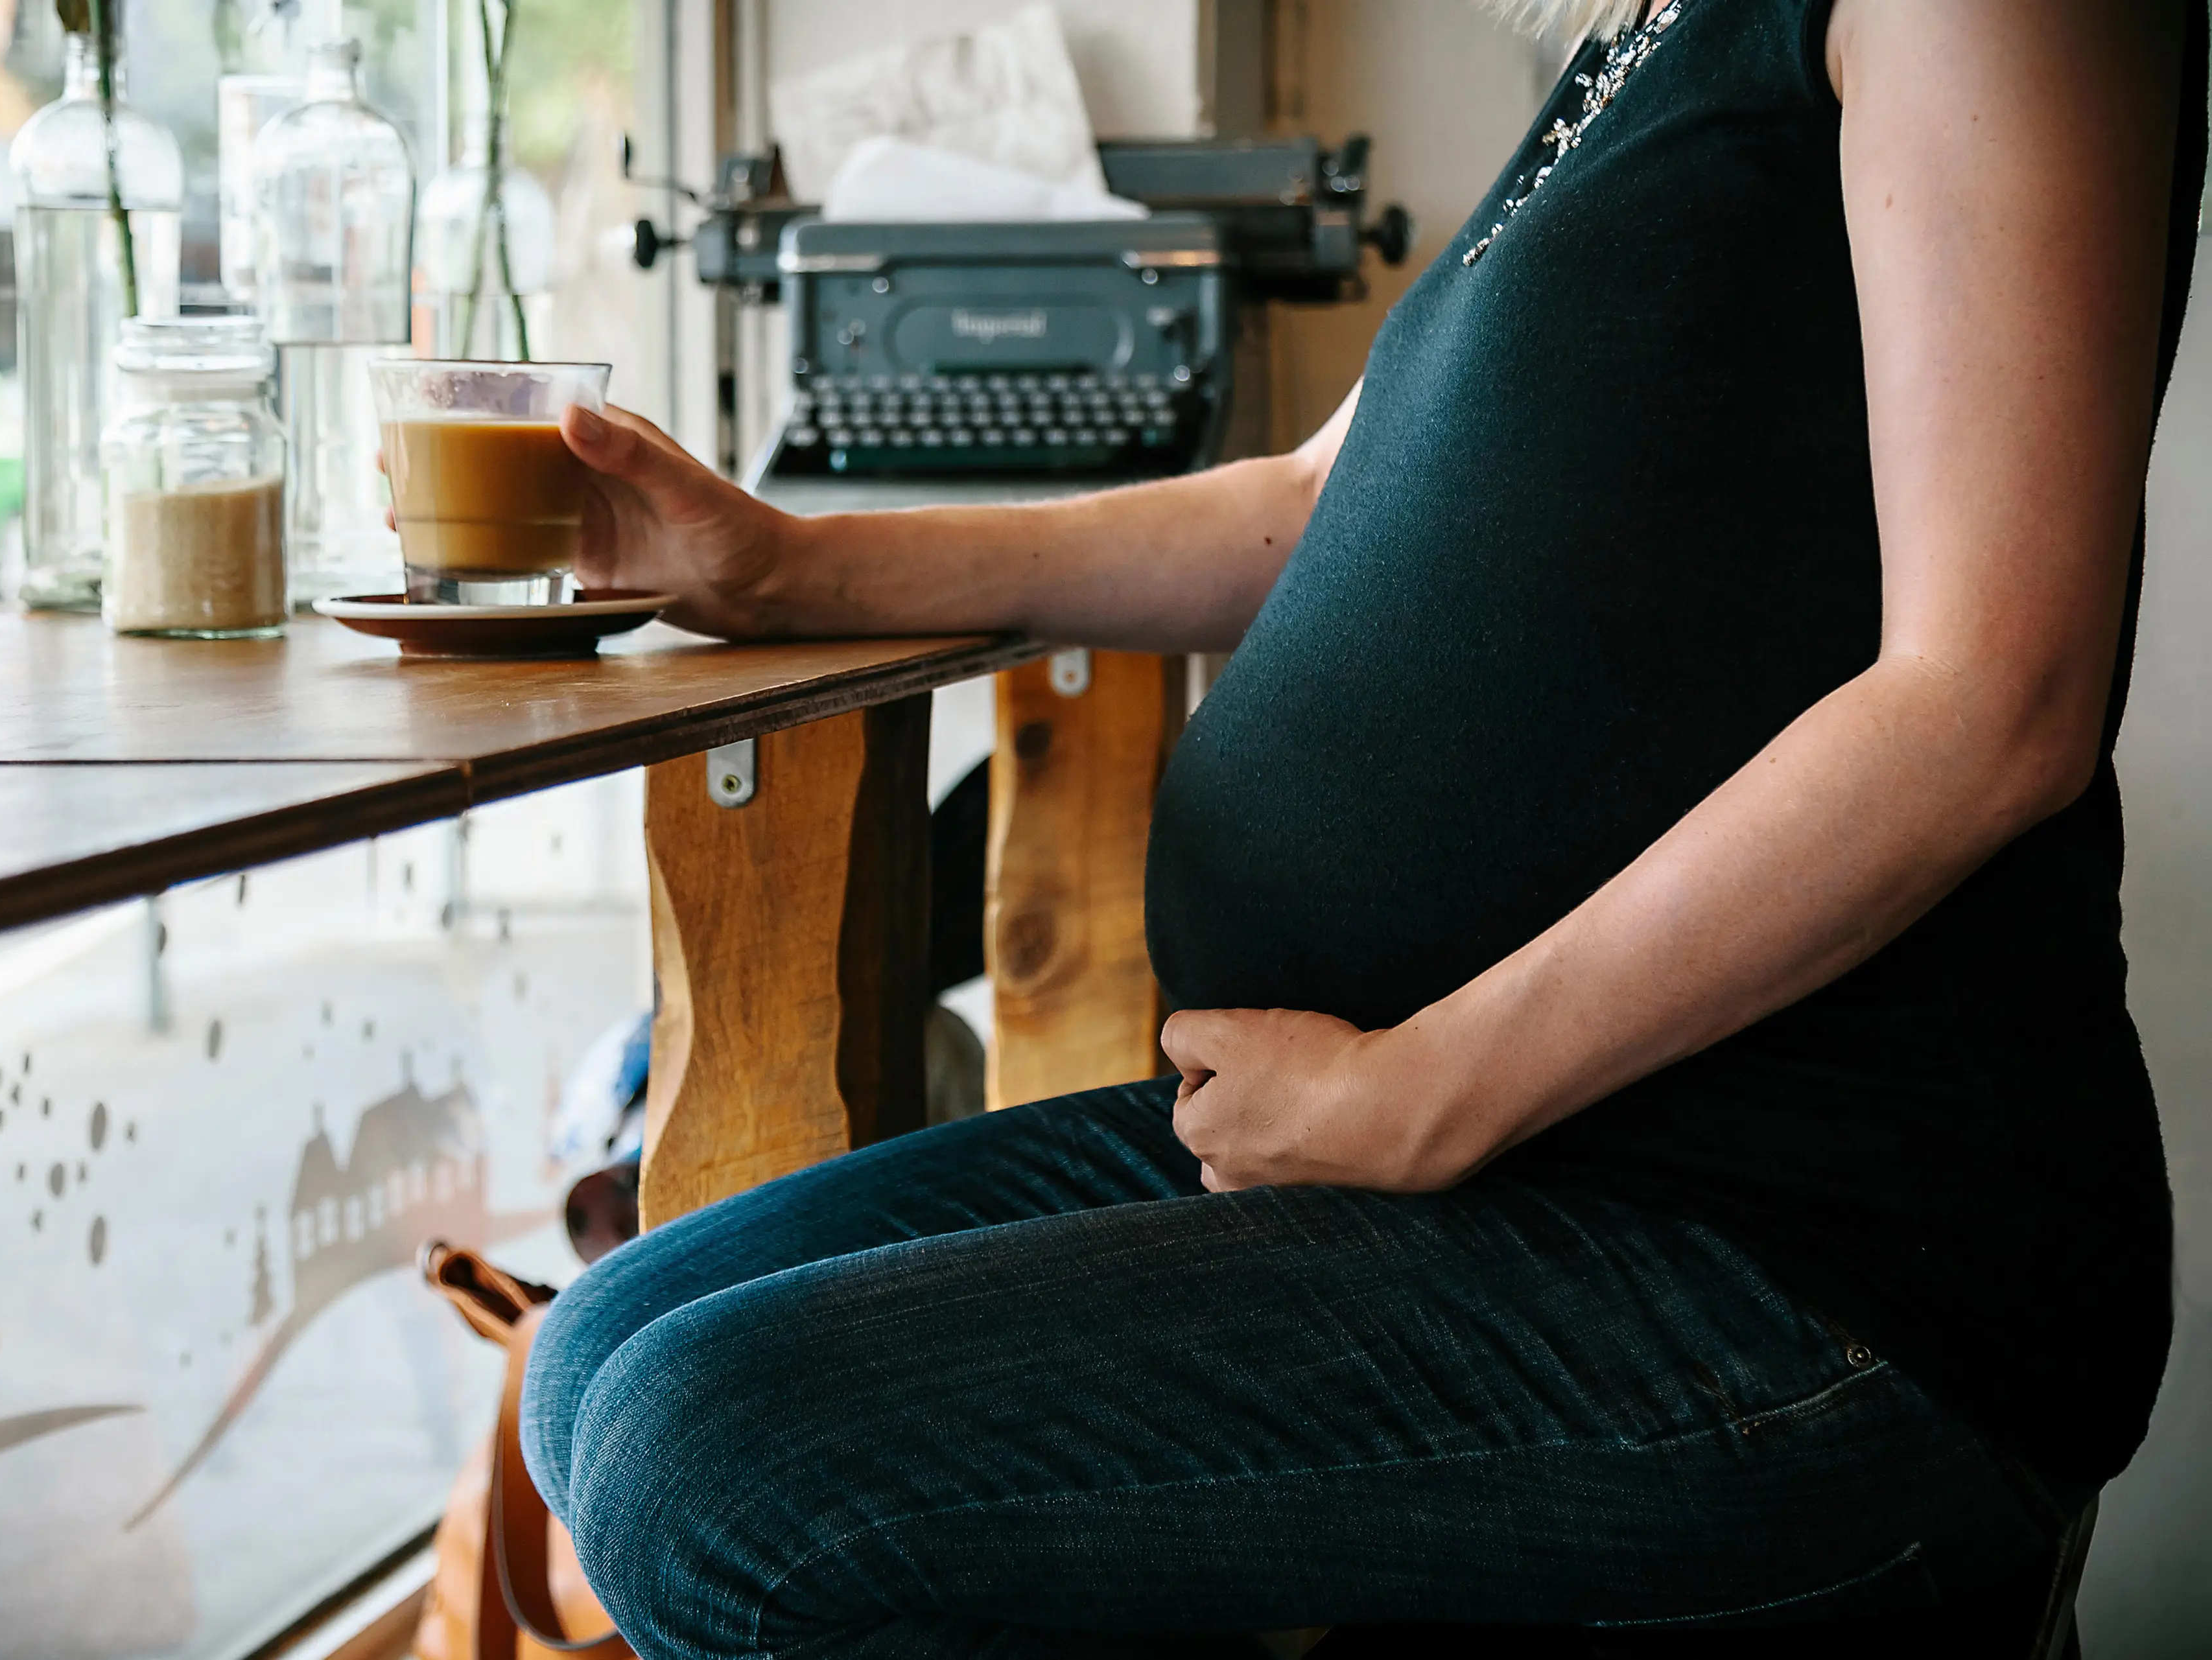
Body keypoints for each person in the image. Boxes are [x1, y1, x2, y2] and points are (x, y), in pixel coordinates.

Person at [517, 1, 2204, 1652]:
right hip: (1491, 1154)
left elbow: (1992, 704)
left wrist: (1421, 1096)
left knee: (710, 1466)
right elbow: (1307, 503)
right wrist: (787, 565)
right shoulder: (1640, 50)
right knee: (599, 1356)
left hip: (1782, 1241)